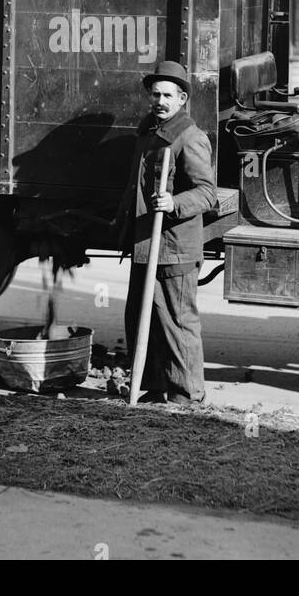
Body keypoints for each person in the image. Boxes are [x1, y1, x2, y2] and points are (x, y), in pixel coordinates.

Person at [116, 59, 217, 405]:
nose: (159, 100)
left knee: (177, 320)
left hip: (175, 245)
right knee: (144, 317)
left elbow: (207, 191)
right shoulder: (148, 133)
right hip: (146, 241)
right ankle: (155, 386)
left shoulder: (190, 138)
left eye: (167, 95)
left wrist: (174, 202)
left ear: (182, 99)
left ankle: (187, 393)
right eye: (155, 94)